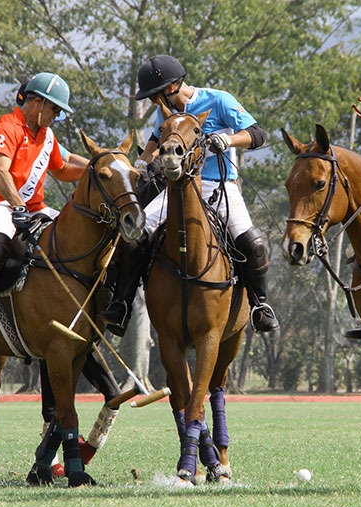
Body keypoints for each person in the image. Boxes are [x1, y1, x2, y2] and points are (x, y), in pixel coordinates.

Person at [96, 54, 279, 335]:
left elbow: (257, 134)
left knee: (253, 243)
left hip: (219, 186)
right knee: (136, 235)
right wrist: (141, 165)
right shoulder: (167, 111)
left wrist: (227, 139)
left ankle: (259, 306)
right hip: (177, 189)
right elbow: (156, 141)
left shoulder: (219, 100)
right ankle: (122, 304)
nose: (153, 102)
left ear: (170, 88)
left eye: (154, 96)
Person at [0, 72, 85, 345]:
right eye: (54, 108)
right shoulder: (7, 125)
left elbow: (61, 169)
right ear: (37, 102)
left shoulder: (46, 136)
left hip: (36, 207)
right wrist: (17, 205)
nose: (56, 115)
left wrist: (97, 168)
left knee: (75, 235)